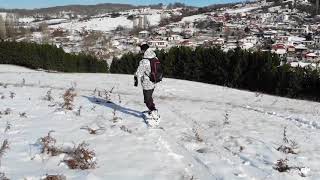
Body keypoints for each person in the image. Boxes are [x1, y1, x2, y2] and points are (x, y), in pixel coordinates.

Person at [134, 43, 160, 122]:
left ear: (143, 50)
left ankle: (154, 113)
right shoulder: (154, 57)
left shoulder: (144, 61)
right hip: (154, 81)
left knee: (147, 99)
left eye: (141, 50)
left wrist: (135, 76)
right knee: (149, 97)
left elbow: (139, 73)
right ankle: (152, 110)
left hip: (147, 83)